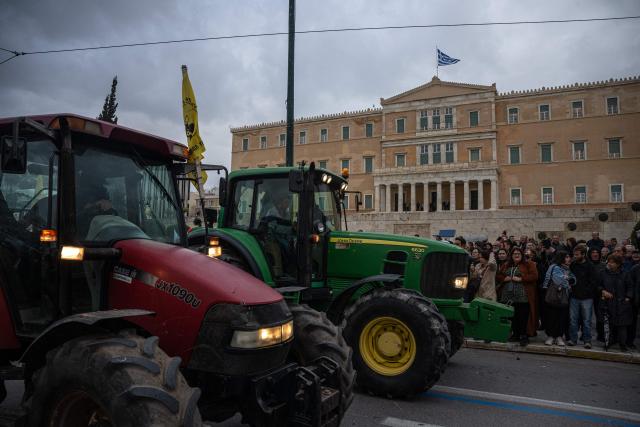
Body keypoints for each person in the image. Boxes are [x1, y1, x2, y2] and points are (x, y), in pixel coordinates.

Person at [497, 247, 537, 346]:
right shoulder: (506, 265)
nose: (516, 255)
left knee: (523, 316)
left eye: (518, 253)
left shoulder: (529, 264)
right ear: (511, 255)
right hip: (508, 296)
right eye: (514, 253)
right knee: (512, 316)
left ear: (522, 254)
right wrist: (504, 278)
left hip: (523, 295)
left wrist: (521, 279)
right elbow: (498, 276)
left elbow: (534, 276)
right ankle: (515, 334)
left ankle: (524, 335)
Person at [598, 254, 634, 351]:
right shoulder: (603, 273)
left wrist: (628, 298)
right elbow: (598, 285)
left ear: (618, 264)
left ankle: (623, 344)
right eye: (609, 262)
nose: (609, 264)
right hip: (608, 303)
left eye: (612, 262)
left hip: (622, 303)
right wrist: (603, 291)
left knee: (622, 326)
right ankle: (608, 342)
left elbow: (630, 287)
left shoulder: (625, 274)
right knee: (608, 325)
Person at [542, 251, 574, 346]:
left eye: (569, 257)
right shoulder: (555, 267)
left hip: (564, 296)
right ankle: (551, 336)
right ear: (561, 258)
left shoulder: (568, 269)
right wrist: (568, 282)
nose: (569, 259)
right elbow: (558, 280)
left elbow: (574, 279)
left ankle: (559, 336)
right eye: (567, 257)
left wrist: (568, 279)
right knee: (552, 316)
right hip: (553, 295)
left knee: (562, 317)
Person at [568, 245, 596, 348]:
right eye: (574, 254)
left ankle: (587, 341)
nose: (574, 256)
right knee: (573, 319)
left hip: (587, 298)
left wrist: (586, 292)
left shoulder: (590, 266)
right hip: (574, 297)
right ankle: (573, 339)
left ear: (583, 255)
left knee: (587, 320)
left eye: (577, 254)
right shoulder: (573, 265)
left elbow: (593, 282)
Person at [625, 262, 640, 349]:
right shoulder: (636, 268)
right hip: (635, 300)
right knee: (632, 322)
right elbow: (630, 284)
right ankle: (629, 341)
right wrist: (630, 296)